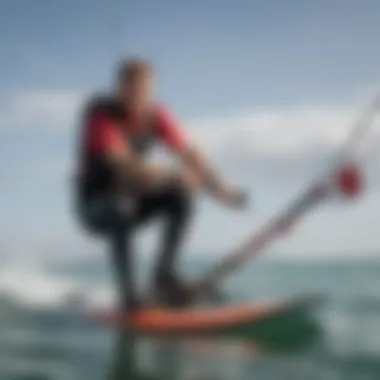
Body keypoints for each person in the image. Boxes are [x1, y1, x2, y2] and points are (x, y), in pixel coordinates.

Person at [75, 58, 248, 310]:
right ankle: (129, 297)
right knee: (120, 207)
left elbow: (190, 154)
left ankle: (162, 277)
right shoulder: (101, 114)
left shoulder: (156, 115)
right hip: (95, 209)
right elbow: (123, 163)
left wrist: (222, 188)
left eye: (145, 91)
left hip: (132, 202)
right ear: (119, 90)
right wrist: (172, 174)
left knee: (180, 195)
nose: (139, 98)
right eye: (132, 90)